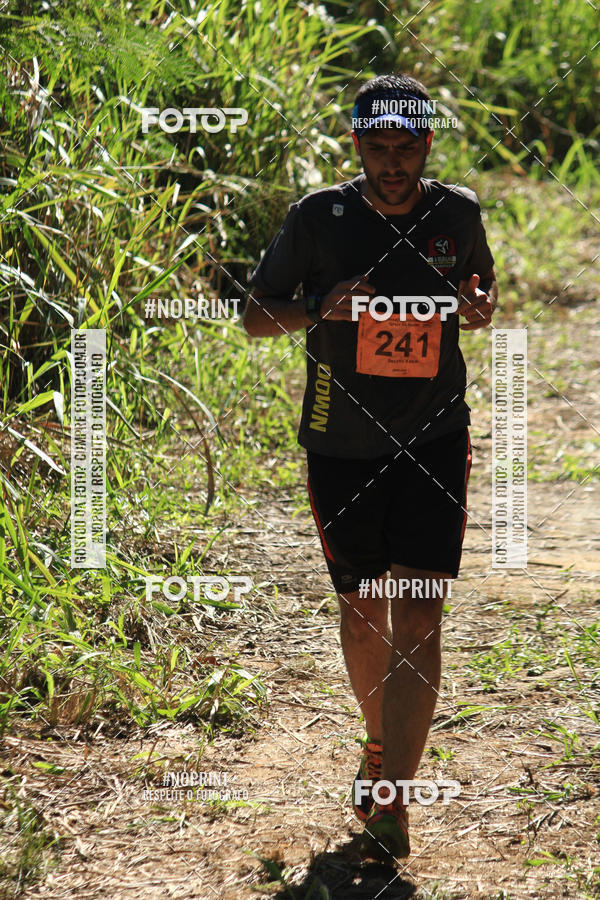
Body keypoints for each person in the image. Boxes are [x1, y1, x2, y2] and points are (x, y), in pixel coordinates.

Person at [243, 73, 497, 862]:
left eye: (407, 147)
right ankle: (379, 744)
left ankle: (393, 803)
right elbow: (255, 318)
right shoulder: (319, 219)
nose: (394, 163)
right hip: (340, 445)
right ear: (356, 146)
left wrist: (479, 307)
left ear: (427, 143)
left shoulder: (455, 213)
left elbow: (478, 293)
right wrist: (322, 308)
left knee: (419, 614)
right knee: (364, 610)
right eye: (378, 148)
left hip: (433, 438)